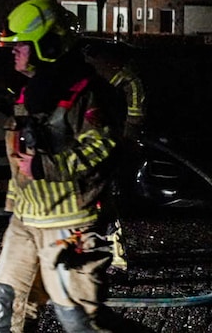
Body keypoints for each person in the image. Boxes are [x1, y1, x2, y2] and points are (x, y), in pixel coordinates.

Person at [0, 0, 125, 333]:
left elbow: (102, 148)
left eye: (20, 45)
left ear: (46, 44)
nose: (14, 52)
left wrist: (44, 166)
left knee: (79, 320)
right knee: (8, 311)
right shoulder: (29, 95)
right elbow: (17, 158)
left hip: (69, 225)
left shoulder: (85, 93)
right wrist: (14, 205)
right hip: (25, 222)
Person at [82, 40, 148, 272]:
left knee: (101, 195)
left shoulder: (93, 65)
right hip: (82, 143)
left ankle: (113, 251)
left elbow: (132, 86)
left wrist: (130, 130)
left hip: (99, 140)